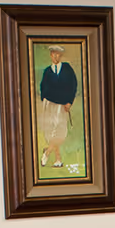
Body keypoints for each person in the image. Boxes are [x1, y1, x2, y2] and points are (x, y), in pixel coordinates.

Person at [37, 44, 79, 173]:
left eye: (58, 54)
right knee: (51, 130)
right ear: (51, 55)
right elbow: (43, 87)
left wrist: (69, 102)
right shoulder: (47, 71)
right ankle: (58, 159)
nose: (55, 56)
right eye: (53, 54)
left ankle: (47, 152)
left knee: (60, 131)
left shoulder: (67, 69)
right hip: (50, 104)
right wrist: (45, 99)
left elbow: (73, 85)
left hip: (62, 105)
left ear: (60, 56)